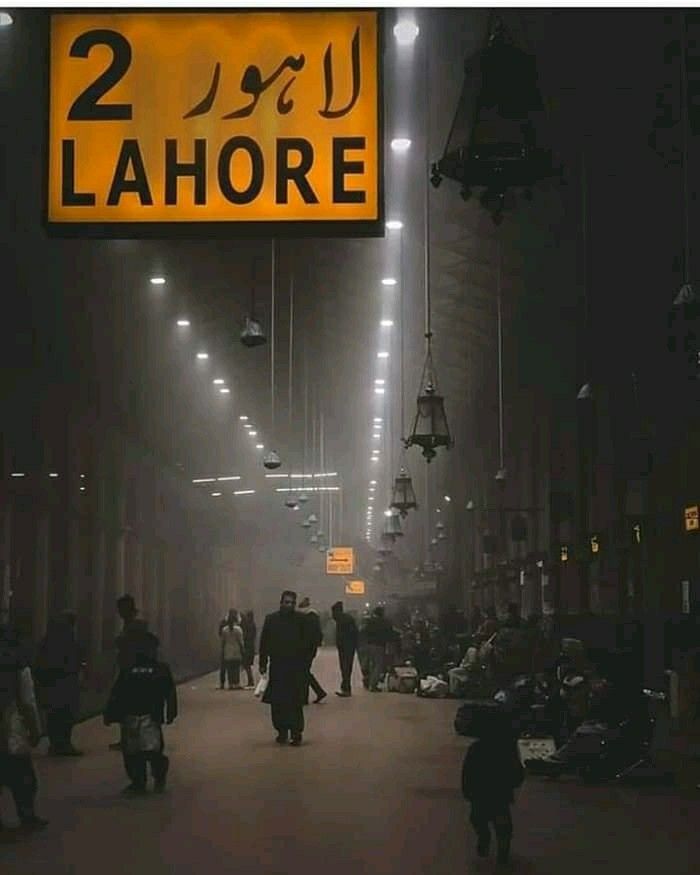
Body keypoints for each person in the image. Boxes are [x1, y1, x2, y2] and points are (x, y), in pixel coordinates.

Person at [104, 621, 177, 795]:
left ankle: (144, 779)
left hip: (142, 712)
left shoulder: (133, 666)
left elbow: (118, 691)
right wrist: (171, 710)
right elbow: (169, 691)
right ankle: (143, 780)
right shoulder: (155, 667)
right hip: (144, 711)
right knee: (137, 750)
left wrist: (111, 712)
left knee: (144, 750)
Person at [0, 623, 48, 831]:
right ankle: (27, 816)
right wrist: (35, 730)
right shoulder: (18, 664)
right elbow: (28, 701)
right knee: (23, 776)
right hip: (10, 726)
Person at [461, 709, 524, 865]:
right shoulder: (507, 748)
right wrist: (515, 782)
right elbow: (517, 770)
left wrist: (467, 790)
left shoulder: (476, 748)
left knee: (478, 819)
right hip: (500, 791)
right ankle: (500, 849)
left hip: (481, 792)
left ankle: (487, 839)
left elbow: (467, 772)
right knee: (501, 824)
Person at [258, 591, 310, 746]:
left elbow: (307, 642)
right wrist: (262, 662)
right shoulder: (272, 620)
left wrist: (306, 662)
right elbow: (264, 643)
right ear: (281, 603)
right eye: (287, 602)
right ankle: (281, 730)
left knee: (295, 701)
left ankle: (296, 732)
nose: (289, 605)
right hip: (278, 666)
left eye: (292, 603)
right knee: (278, 702)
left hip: (296, 667)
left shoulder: (301, 620)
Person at [111, 595, 159, 750]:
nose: (119, 613)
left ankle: (133, 737)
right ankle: (129, 737)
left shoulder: (135, 625)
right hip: (131, 669)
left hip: (134, 671)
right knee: (128, 705)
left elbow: (129, 644)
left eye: (121, 609)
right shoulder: (132, 623)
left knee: (131, 704)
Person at [35, 610, 85, 757]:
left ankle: (56, 744)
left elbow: (40, 664)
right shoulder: (67, 640)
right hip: (65, 683)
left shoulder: (48, 641)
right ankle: (64, 744)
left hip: (52, 685)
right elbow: (75, 659)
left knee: (54, 716)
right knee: (65, 715)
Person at [298, 597, 327, 703]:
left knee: (303, 672)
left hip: (306, 650)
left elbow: (307, 636)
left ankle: (305, 697)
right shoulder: (313, 617)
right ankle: (318, 692)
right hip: (310, 649)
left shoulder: (309, 618)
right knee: (305, 672)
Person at [331, 601, 359, 697]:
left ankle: (346, 688)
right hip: (348, 646)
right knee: (346, 667)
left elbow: (345, 634)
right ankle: (345, 688)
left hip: (346, 647)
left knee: (345, 667)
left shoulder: (342, 620)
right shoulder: (345, 619)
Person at [365, 606, 394, 692]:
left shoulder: (370, 621)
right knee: (378, 665)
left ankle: (370, 682)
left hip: (370, 645)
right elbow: (389, 632)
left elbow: (365, 631)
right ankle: (373, 685)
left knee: (372, 665)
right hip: (379, 645)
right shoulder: (384, 622)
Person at [220, 610, 244, 690]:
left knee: (229, 669)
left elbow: (223, 642)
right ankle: (236, 683)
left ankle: (230, 684)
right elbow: (241, 642)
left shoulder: (224, 630)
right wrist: (243, 650)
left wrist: (222, 651)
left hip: (228, 651)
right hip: (236, 651)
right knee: (236, 668)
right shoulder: (238, 629)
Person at [240, 610, 257, 690]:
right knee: (248, 666)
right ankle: (250, 681)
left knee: (247, 665)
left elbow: (247, 636)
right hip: (251, 647)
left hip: (248, 648)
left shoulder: (249, 625)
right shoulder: (252, 625)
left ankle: (251, 681)